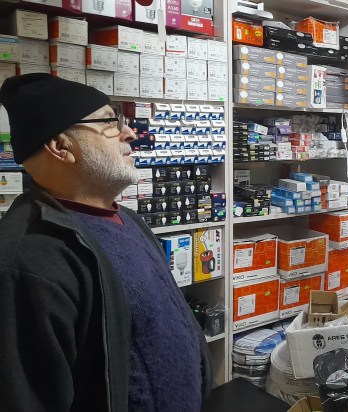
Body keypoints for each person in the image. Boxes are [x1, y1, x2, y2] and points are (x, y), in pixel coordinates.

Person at [0, 74, 211, 411]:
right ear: (60, 147)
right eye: (109, 123)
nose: (129, 133)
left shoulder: (127, 219)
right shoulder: (29, 258)